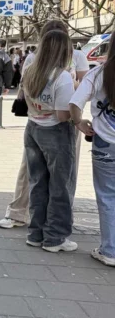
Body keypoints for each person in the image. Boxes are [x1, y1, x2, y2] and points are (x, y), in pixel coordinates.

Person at [0, 20, 88, 229]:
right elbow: (27, 88)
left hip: (65, 120)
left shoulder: (77, 57)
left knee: (63, 173)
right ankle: (21, 213)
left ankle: (55, 219)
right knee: (34, 170)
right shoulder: (33, 59)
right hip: (44, 119)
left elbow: (84, 88)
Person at [22, 29, 78, 252]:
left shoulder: (30, 71)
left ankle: (35, 233)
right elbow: (63, 115)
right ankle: (55, 237)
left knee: (37, 182)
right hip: (56, 132)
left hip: (33, 127)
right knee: (60, 185)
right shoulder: (62, 77)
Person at [70, 43, 115, 267]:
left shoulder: (98, 73)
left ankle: (110, 250)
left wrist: (78, 122)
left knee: (107, 196)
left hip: (105, 142)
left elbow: (75, 102)